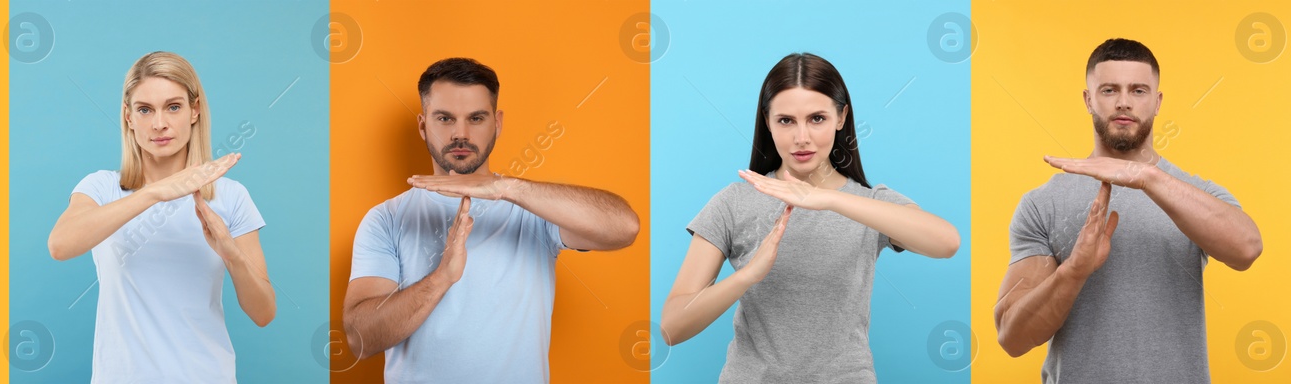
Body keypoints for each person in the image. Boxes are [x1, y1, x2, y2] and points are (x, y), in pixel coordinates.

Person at [659, 53, 961, 383]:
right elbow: (673, 327)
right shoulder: (733, 202)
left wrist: (830, 198)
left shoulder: (870, 204)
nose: (801, 137)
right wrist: (747, 276)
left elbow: (946, 243)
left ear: (841, 117)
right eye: (786, 120)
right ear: (767, 121)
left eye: (816, 118)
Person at [340, 57, 641, 383]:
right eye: (444, 118)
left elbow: (625, 227)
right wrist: (440, 278)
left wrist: (505, 187)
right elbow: (360, 339)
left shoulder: (533, 211)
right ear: (423, 125)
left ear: (496, 123)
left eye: (476, 118)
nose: (460, 133)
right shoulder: (386, 219)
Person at [994, 38, 1262, 383]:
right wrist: (1074, 271)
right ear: (1088, 99)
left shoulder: (1196, 194)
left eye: (1138, 90)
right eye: (1109, 90)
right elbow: (1013, 338)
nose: (1124, 102)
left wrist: (1146, 176)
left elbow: (1247, 249)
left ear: (1157, 101)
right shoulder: (1043, 203)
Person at [45, 51, 275, 383]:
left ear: (194, 110)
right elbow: (60, 245)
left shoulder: (230, 196)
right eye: (144, 110)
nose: (159, 124)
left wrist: (230, 251)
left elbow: (264, 313)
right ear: (128, 116)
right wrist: (154, 192)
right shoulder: (102, 187)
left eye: (173, 107)